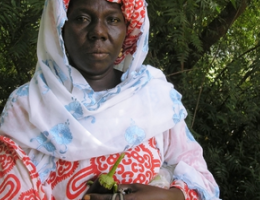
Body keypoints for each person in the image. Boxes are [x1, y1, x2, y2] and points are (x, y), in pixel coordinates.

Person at [0, 0, 221, 199]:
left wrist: (169, 198)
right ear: (60, 27)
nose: (98, 32)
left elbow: (203, 181)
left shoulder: (153, 96)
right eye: (82, 18)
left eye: (113, 19)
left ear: (128, 31)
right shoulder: (27, 106)